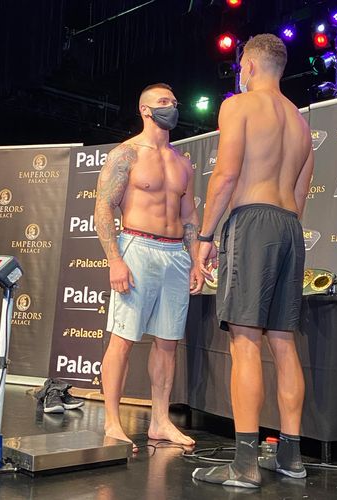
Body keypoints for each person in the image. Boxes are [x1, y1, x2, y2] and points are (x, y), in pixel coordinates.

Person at [192, 34, 314, 488]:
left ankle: (244, 464)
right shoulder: (301, 124)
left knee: (245, 341)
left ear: (249, 66)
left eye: (241, 66)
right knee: (283, 342)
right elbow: (300, 194)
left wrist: (206, 235)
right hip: (289, 226)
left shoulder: (238, 106)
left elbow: (224, 174)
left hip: (254, 220)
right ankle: (291, 457)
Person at [94, 83, 204, 451]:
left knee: (168, 343)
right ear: (144, 110)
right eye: (163, 102)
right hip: (137, 246)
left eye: (174, 102)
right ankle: (112, 421)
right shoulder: (126, 153)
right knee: (123, 340)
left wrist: (195, 259)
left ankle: (159, 421)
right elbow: (103, 208)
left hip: (175, 254)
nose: (171, 107)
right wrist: (115, 259)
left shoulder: (182, 161)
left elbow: (189, 216)